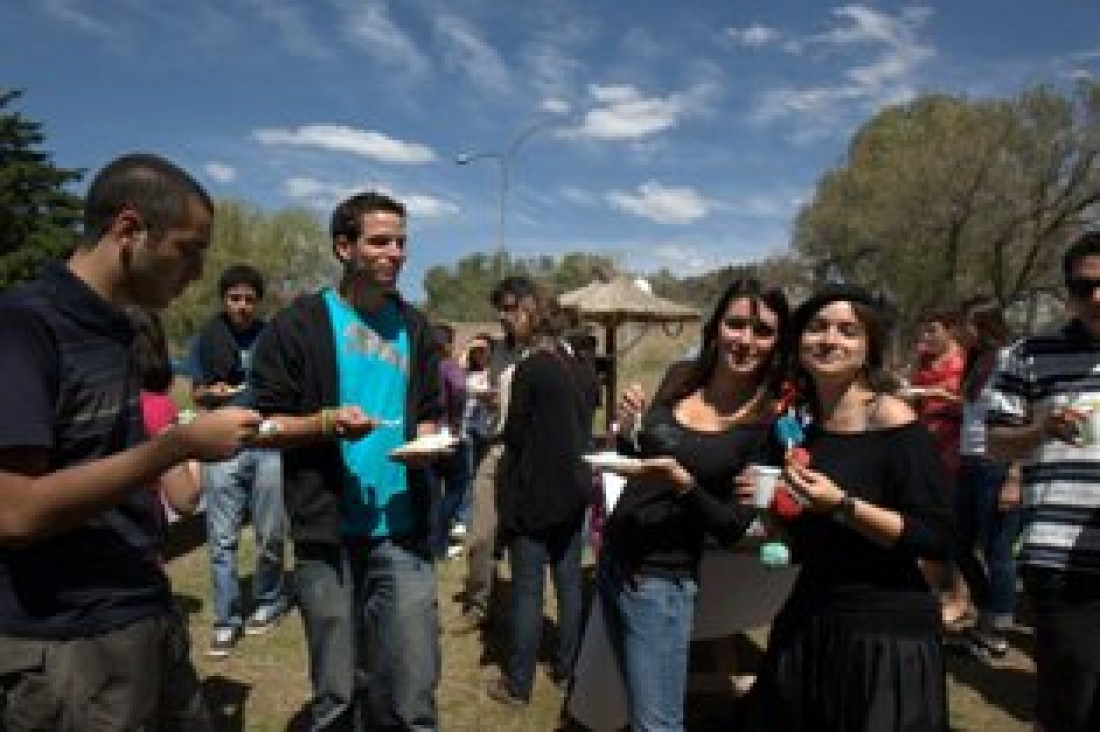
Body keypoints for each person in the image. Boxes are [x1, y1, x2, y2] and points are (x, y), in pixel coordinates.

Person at [0, 153, 262, 731]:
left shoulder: (117, 326)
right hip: (69, 642)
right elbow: (14, 511)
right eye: (189, 249)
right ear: (129, 230)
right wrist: (175, 448)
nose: (197, 273)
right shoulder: (24, 329)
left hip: (143, 607)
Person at [251, 190, 444, 732]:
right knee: (335, 690)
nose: (396, 253)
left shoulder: (417, 327)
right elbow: (263, 427)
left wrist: (429, 442)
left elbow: (427, 410)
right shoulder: (298, 326)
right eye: (380, 241)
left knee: (413, 686)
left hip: (402, 529)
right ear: (343, 247)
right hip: (325, 532)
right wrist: (326, 423)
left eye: (402, 242)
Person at [742, 283, 954, 732]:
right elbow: (797, 541)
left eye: (847, 331)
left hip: (884, 630)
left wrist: (842, 505)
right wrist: (768, 508)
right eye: (817, 328)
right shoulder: (800, 429)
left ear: (869, 346)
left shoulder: (891, 417)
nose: (830, 340)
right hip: (812, 614)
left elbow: (937, 537)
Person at [601, 277, 786, 731]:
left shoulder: (766, 426)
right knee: (634, 713)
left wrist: (685, 484)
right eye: (736, 324)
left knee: (657, 725)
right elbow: (644, 461)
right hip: (614, 562)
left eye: (761, 331)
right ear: (716, 327)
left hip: (661, 585)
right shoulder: (680, 379)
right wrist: (628, 433)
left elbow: (732, 527)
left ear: (778, 342)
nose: (745, 340)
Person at [986, 231, 1100, 732]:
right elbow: (994, 440)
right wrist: (1040, 429)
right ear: (1067, 291)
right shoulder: (1029, 353)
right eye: (1083, 286)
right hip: (1057, 552)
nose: (1096, 297)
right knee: (1068, 698)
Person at [486, 283, 598, 706]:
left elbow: (514, 434)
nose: (507, 320)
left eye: (514, 313)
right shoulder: (584, 369)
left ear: (534, 316)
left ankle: (517, 686)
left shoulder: (534, 369)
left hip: (533, 495)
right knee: (568, 584)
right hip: (574, 489)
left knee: (529, 591)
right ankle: (568, 668)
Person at [191, 264, 287, 657]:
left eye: (249, 299)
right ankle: (225, 621)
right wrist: (212, 393)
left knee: (271, 534)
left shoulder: (273, 338)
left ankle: (270, 599)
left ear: (258, 302)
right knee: (222, 539)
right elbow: (196, 394)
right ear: (224, 299)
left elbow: (286, 387)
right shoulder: (206, 339)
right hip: (223, 447)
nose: (242, 306)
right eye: (235, 298)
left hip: (266, 444)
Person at [451, 280, 529, 635]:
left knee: (526, 541)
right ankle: (479, 603)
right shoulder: (497, 350)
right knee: (481, 534)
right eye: (501, 308)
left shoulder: (542, 350)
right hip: (495, 448)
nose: (505, 315)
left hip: (530, 454)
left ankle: (522, 615)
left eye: (511, 307)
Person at [952, 296, 1021, 662]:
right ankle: (986, 615)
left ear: (981, 325)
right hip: (970, 463)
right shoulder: (978, 363)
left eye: (963, 324)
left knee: (997, 550)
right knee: (959, 545)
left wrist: (1015, 476)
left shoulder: (1013, 360)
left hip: (997, 465)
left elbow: (1023, 422)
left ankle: (996, 632)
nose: (959, 333)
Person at [430, 322, 471, 560]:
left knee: (434, 492)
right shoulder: (448, 366)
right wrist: (456, 418)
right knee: (458, 488)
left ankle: (434, 542)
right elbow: (458, 388)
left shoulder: (423, 366)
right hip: (449, 435)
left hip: (428, 436)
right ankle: (440, 535)